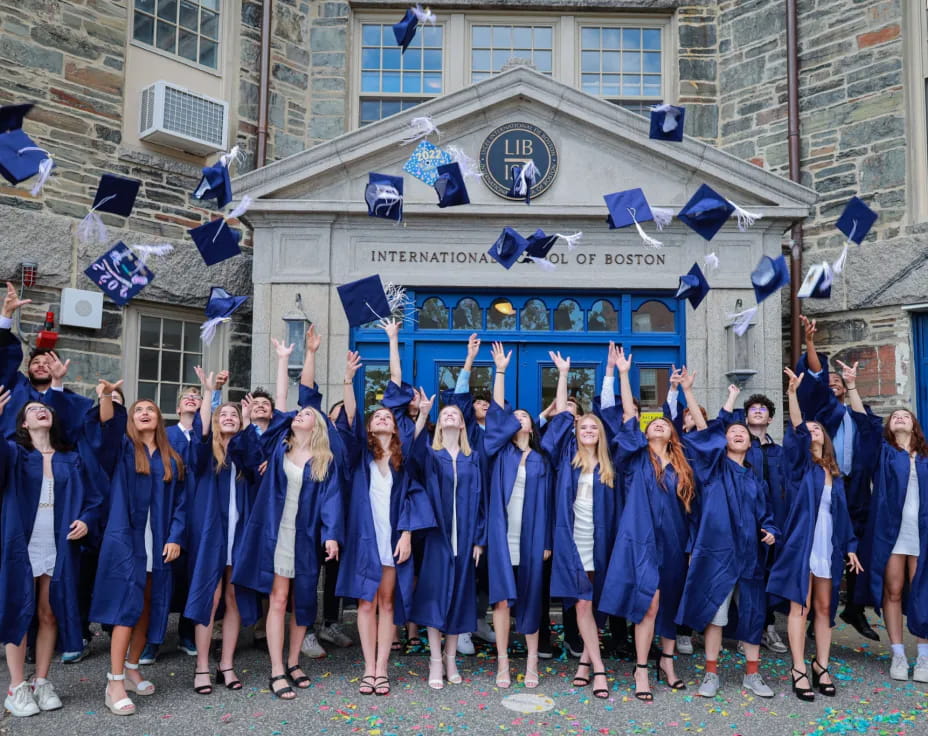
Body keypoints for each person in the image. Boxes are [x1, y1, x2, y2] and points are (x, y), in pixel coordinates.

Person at [231, 337, 342, 700]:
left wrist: (331, 534)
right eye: (298, 414)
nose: (300, 414)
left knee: (304, 601)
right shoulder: (277, 445)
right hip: (276, 534)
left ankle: (294, 661)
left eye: (306, 414)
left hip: (306, 536)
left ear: (318, 425)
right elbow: (282, 403)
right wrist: (283, 360)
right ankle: (277, 669)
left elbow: (331, 499)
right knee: (278, 600)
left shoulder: (324, 461)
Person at [335, 339, 433, 696]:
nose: (381, 417)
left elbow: (413, 496)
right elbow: (346, 418)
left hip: (392, 536)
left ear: (395, 427)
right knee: (366, 601)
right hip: (364, 535)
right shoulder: (359, 455)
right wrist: (347, 381)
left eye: (387, 416)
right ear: (370, 425)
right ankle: (367, 668)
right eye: (376, 415)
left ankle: (382, 669)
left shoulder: (403, 462)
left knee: (387, 601)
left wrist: (407, 534)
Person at [89, 378, 190, 716]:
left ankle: (132, 667)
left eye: (151, 409)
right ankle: (114, 680)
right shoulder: (120, 450)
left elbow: (181, 504)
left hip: (158, 542)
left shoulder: (171, 458)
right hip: (125, 541)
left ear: (160, 420)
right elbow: (106, 428)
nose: (145, 413)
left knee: (148, 604)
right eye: (138, 410)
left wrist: (175, 536)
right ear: (130, 420)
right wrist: (106, 396)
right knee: (124, 608)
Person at [676, 371, 779, 700]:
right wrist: (689, 393)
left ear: (751, 442)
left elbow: (768, 516)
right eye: (731, 432)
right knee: (716, 615)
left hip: (748, 555)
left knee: (752, 613)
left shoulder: (755, 480)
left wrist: (771, 531)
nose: (737, 434)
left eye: (742, 433)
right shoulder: (711, 469)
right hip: (717, 553)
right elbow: (705, 432)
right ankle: (711, 674)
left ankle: (752, 674)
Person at [598, 349, 694, 701]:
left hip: (674, 539)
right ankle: (641, 668)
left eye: (663, 422)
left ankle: (666, 662)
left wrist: (681, 391)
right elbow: (626, 415)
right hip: (641, 539)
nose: (657, 424)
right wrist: (623, 373)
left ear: (671, 432)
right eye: (651, 422)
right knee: (649, 603)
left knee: (670, 601)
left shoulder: (682, 465)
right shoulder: (635, 455)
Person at [0, 391, 103, 717]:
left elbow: (94, 498)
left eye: (44, 408)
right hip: (22, 543)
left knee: (49, 612)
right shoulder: (16, 454)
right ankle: (16, 686)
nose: (40, 411)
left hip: (57, 543)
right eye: (32, 409)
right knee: (19, 609)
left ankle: (41, 680)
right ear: (24, 422)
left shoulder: (70, 457)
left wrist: (86, 520)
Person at [767, 365, 865, 701]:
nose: (812, 432)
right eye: (808, 430)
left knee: (825, 609)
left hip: (830, 545)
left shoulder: (834, 474)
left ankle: (821, 665)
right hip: (802, 546)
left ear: (825, 435)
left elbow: (842, 518)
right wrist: (792, 394)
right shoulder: (797, 468)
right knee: (801, 607)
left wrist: (850, 546)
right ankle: (798, 668)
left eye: (817, 429)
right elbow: (795, 430)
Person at [409, 323, 486, 690]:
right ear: (442, 423)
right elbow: (408, 454)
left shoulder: (473, 459)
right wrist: (424, 414)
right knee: (435, 597)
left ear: (463, 423)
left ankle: (453, 659)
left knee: (458, 598)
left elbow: (483, 501)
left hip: (465, 537)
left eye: (457, 414)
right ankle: (434, 661)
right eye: (447, 414)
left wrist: (479, 540)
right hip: (438, 538)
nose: (453, 415)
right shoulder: (431, 453)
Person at [796, 315, 879, 641]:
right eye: (827, 384)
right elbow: (815, 375)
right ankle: (813, 614)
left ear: (846, 389)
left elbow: (868, 427)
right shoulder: (822, 413)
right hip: (826, 484)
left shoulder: (857, 415)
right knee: (821, 546)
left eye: (837, 384)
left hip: (855, 487)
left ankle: (854, 608)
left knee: (857, 543)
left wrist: (852, 385)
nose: (832, 385)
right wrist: (811, 343)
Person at [184, 369, 264, 695]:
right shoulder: (205, 454)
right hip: (211, 535)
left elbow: (255, 459)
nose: (229, 417)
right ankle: (202, 665)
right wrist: (208, 394)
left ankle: (226, 663)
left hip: (240, 535)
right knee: (211, 596)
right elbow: (201, 435)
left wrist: (246, 423)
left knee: (233, 597)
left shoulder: (244, 454)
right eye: (224, 415)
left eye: (234, 414)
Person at [542, 351, 616, 700]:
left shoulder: (609, 465)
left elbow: (619, 416)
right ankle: (599, 669)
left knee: (598, 602)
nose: (588, 429)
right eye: (582, 425)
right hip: (572, 540)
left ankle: (585, 663)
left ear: (600, 433)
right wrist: (562, 375)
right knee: (582, 604)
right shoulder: (564, 457)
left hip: (601, 540)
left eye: (593, 426)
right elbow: (557, 422)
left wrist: (612, 374)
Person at [483, 342, 553, 688]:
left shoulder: (542, 460)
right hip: (501, 536)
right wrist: (499, 371)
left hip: (532, 536)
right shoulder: (498, 455)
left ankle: (531, 664)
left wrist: (548, 540)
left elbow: (552, 503)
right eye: (515, 417)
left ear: (531, 425)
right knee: (501, 599)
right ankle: (503, 663)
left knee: (530, 599)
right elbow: (496, 412)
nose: (517, 419)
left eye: (524, 416)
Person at [856, 386, 928, 682]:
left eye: (905, 415)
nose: (899, 417)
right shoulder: (884, 453)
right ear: (889, 426)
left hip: (923, 533)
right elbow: (865, 424)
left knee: (924, 592)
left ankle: (924, 658)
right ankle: (898, 654)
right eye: (894, 416)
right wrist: (851, 387)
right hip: (893, 533)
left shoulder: (925, 457)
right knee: (893, 591)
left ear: (914, 425)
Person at [440, 333, 498, 655]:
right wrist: (470, 360)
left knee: (487, 569)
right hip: (468, 503)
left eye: (486, 403)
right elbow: (459, 399)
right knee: (464, 567)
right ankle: (460, 626)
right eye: (478, 402)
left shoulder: (499, 430)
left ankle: (478, 620)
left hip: (495, 506)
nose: (483, 405)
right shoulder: (469, 433)